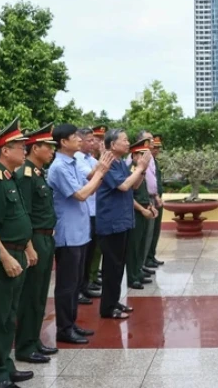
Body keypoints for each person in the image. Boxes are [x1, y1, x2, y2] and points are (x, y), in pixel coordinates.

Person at [0, 118, 35, 388]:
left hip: (18, 253)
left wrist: (28, 246)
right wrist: (4, 256)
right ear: (4, 150)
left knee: (9, 315)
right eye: (20, 146)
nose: (24, 150)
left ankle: (6, 364)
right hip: (6, 259)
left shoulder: (9, 178)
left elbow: (18, 217)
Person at [47, 123, 111, 343]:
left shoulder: (73, 162)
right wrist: (100, 173)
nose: (79, 140)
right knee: (66, 285)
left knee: (75, 282)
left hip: (80, 232)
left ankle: (71, 323)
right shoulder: (59, 167)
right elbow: (81, 194)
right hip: (68, 235)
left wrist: (100, 167)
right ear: (63, 142)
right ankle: (63, 329)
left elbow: (89, 177)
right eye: (74, 136)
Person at [14, 124, 59, 364]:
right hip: (35, 239)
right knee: (31, 295)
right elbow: (25, 215)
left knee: (41, 294)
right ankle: (24, 346)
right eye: (47, 146)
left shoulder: (39, 173)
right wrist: (29, 246)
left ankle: (34, 339)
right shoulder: (25, 176)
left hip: (46, 237)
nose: (52, 151)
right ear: (35, 148)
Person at [95, 130, 150, 319]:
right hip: (111, 222)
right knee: (111, 267)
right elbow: (123, 186)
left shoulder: (120, 163)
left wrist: (141, 169)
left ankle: (114, 301)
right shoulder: (108, 163)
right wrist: (141, 168)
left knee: (118, 266)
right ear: (112, 145)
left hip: (123, 221)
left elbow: (134, 185)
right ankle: (107, 308)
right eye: (124, 140)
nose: (128, 143)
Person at [125, 137, 158, 290]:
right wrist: (142, 209)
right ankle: (132, 276)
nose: (145, 158)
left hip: (144, 211)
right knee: (133, 246)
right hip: (135, 213)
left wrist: (150, 206)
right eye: (141, 154)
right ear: (134, 156)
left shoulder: (141, 171)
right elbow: (129, 195)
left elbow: (144, 192)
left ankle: (138, 271)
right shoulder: (132, 170)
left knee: (141, 244)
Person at [74, 128, 101, 304]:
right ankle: (79, 289)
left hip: (94, 210)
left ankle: (86, 285)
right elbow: (92, 176)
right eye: (89, 140)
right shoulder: (77, 159)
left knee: (90, 253)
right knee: (81, 256)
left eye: (93, 140)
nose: (93, 143)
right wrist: (103, 166)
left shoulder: (91, 159)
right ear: (80, 141)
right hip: (84, 211)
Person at [86, 125, 108, 290]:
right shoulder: (83, 160)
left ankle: (93, 275)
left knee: (97, 248)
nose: (98, 142)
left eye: (101, 139)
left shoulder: (93, 160)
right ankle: (88, 279)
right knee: (89, 251)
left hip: (98, 208)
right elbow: (91, 177)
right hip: (87, 209)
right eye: (95, 139)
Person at [145, 134, 166, 268]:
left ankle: (151, 256)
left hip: (157, 199)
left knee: (155, 230)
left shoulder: (155, 162)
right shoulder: (144, 161)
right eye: (154, 147)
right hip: (150, 199)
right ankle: (146, 258)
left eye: (158, 148)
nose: (156, 150)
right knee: (148, 232)